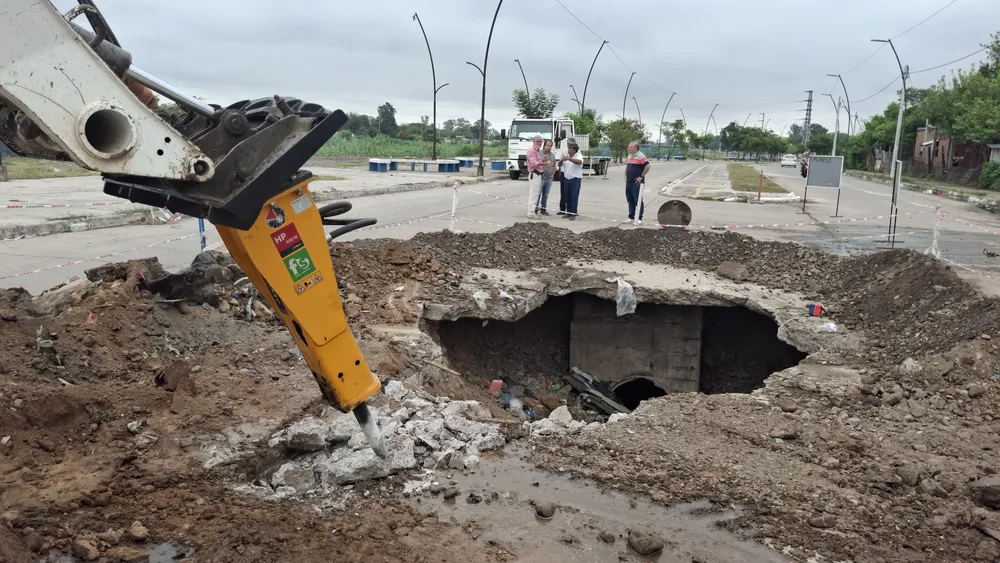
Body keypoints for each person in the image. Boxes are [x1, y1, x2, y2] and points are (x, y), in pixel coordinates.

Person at [558, 140, 584, 220]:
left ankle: (573, 213)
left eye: (570, 149)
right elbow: (559, 165)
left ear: (574, 150)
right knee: (567, 196)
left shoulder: (578, 155)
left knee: (574, 196)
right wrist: (562, 160)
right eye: (568, 148)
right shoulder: (566, 155)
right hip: (567, 178)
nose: (568, 150)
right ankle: (568, 212)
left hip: (575, 179)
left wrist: (569, 159)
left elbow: (579, 162)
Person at [625, 141, 650, 222]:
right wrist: (625, 175)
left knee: (638, 200)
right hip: (629, 182)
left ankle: (639, 218)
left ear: (635, 148)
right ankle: (631, 216)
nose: (628, 148)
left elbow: (648, 166)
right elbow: (628, 167)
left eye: (630, 147)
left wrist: (641, 176)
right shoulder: (629, 156)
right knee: (630, 200)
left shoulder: (641, 156)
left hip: (637, 183)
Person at [525, 135, 545, 218]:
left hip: (538, 174)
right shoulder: (531, 150)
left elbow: (537, 161)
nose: (540, 143)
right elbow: (534, 163)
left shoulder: (537, 150)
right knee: (533, 194)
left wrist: (543, 160)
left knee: (536, 194)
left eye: (541, 141)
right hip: (534, 173)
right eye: (538, 141)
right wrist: (545, 163)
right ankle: (531, 212)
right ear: (534, 141)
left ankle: (533, 211)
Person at [537, 139, 554, 215]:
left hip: (548, 178)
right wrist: (544, 161)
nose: (549, 147)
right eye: (548, 145)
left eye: (550, 146)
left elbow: (554, 166)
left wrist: (552, 175)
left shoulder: (552, 155)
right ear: (544, 145)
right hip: (541, 177)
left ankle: (543, 209)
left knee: (545, 195)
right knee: (538, 194)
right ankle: (535, 208)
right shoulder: (539, 154)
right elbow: (537, 163)